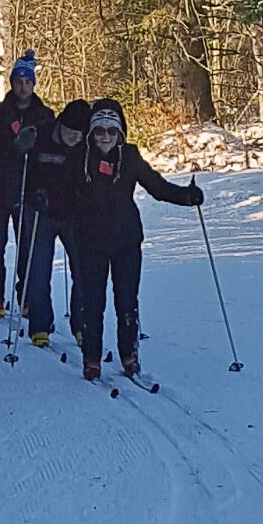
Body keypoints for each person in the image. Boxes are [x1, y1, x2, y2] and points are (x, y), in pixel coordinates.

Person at [67, 98, 202, 381]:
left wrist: (186, 197)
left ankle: (129, 354)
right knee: (93, 303)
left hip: (125, 241)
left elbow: (157, 186)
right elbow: (60, 191)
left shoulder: (129, 157)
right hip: (90, 242)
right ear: (92, 133)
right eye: (100, 130)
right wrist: (44, 200)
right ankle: (92, 357)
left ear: (121, 134)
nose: (105, 137)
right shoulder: (79, 157)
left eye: (112, 131)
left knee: (127, 301)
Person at [0, 50, 55, 320]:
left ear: (34, 84)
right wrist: (12, 147)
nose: (23, 86)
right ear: (12, 82)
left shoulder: (45, 115)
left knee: (28, 250)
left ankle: (27, 299)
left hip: (29, 189)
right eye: (18, 81)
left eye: (27, 82)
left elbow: (50, 151)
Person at [13, 98, 91, 347]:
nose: (74, 138)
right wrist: (20, 147)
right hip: (39, 211)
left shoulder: (86, 144)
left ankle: (82, 325)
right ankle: (40, 325)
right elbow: (18, 167)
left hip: (73, 214)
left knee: (84, 269)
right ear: (61, 124)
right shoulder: (42, 134)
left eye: (80, 134)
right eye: (70, 132)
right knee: (38, 268)